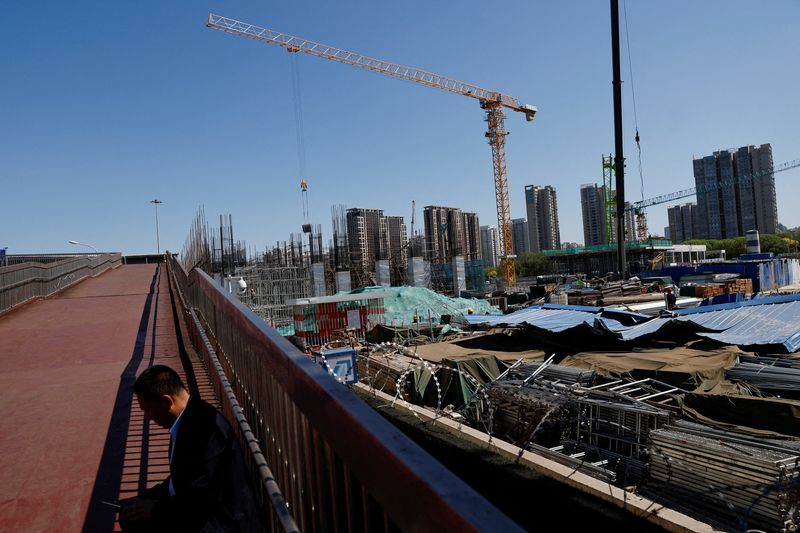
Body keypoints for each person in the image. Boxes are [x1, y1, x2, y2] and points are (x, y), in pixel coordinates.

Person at [120, 365, 264, 533]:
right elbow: (184, 480)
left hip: (224, 522)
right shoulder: (191, 418)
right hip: (204, 511)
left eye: (148, 409)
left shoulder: (205, 431)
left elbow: (201, 500)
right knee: (130, 513)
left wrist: (155, 508)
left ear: (167, 401)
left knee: (138, 523)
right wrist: (144, 499)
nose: (149, 417)